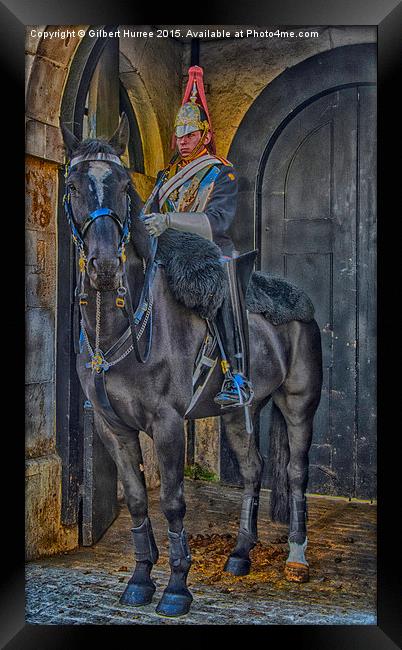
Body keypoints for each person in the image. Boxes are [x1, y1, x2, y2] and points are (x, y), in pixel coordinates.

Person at [142, 65, 254, 408]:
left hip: (209, 252)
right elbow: (148, 213)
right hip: (170, 253)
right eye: (179, 135)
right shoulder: (166, 176)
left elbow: (217, 222)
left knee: (224, 290)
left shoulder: (222, 173)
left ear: (205, 135)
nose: (183, 142)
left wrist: (169, 220)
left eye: (190, 135)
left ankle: (238, 375)